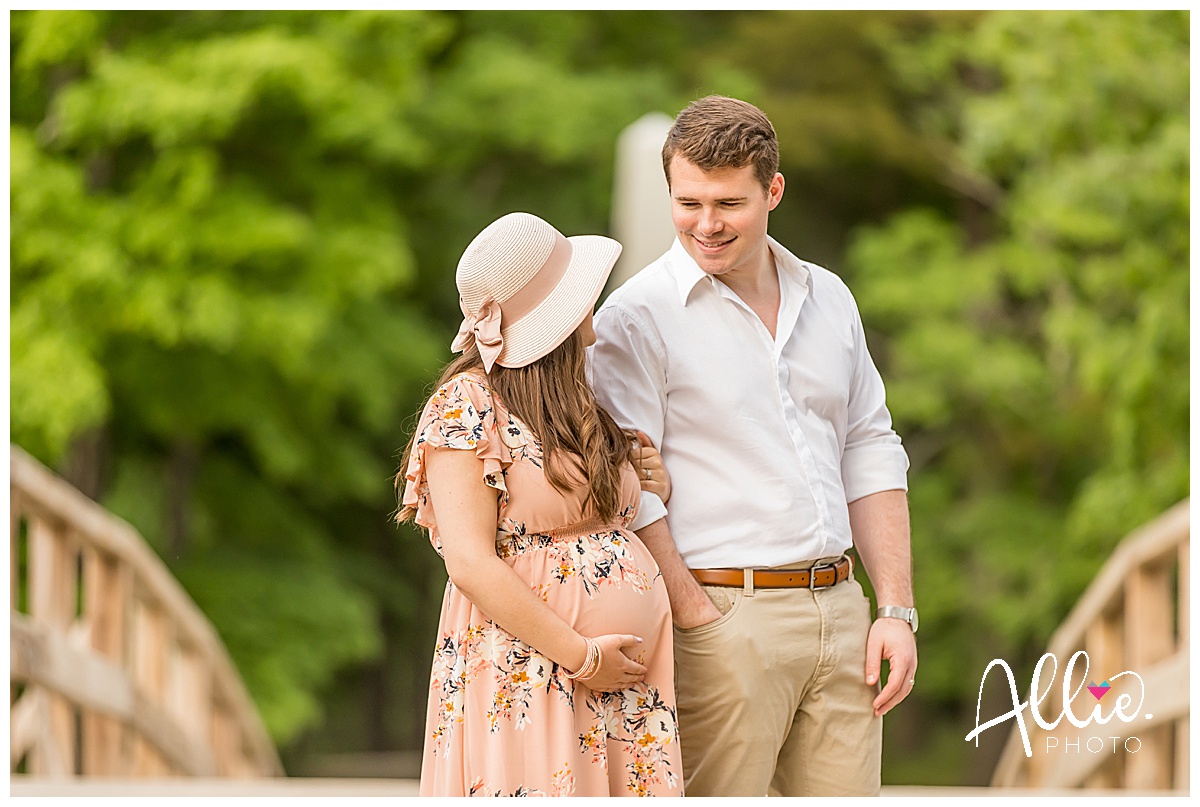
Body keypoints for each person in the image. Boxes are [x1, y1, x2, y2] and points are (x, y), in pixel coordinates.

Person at [589, 96, 918, 797]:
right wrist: (693, 610)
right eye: (688, 202)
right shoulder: (636, 319)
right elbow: (624, 482)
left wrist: (894, 607)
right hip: (723, 615)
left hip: (843, 609)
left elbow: (870, 447)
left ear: (772, 191)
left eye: (728, 203)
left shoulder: (829, 296)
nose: (705, 224)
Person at [396, 212, 683, 797]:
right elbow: (471, 563)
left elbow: (603, 519)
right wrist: (580, 655)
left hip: (621, 689)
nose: (591, 306)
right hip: (534, 670)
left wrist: (650, 480)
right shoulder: (466, 404)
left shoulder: (575, 397)